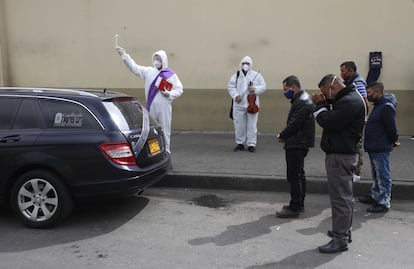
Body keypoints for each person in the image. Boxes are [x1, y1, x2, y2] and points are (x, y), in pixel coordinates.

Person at [312, 74, 365, 254]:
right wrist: (325, 104)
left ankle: (340, 239)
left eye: (325, 93)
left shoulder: (350, 102)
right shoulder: (349, 99)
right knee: (345, 197)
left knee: (340, 199)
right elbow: (335, 116)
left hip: (340, 156)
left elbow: (328, 121)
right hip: (343, 153)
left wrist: (319, 105)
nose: (327, 97)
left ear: (332, 88)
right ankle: (343, 231)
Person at [116, 46, 183, 154]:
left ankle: (166, 152)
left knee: (165, 130)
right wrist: (125, 56)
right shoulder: (149, 72)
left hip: (164, 107)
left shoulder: (171, 75)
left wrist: (169, 94)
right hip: (151, 106)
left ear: (164, 60)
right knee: (152, 131)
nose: (157, 61)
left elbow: (179, 89)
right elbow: (135, 68)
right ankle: (155, 152)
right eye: (155, 58)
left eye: (159, 59)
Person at [275, 75, 315, 218]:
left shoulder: (302, 102)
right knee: (299, 174)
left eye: (286, 89)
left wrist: (282, 135)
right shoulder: (302, 99)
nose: (285, 92)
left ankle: (295, 206)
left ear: (294, 87)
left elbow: (295, 123)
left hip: (297, 143)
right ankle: (298, 203)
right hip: (299, 142)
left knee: (294, 175)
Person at [358, 81, 400, 213]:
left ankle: (383, 201)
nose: (368, 96)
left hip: (380, 147)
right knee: (376, 174)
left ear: (377, 92)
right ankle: (375, 195)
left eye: (369, 93)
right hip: (374, 146)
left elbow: (391, 128)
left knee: (383, 175)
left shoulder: (386, 107)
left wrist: (394, 140)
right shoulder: (378, 105)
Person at [227, 56, 266, 152]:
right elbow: (231, 87)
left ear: (251, 65)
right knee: (239, 124)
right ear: (241, 64)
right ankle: (240, 143)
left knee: (252, 125)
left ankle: (251, 144)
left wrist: (255, 89)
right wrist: (236, 95)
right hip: (239, 104)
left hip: (252, 104)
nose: (245, 65)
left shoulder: (256, 75)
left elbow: (264, 86)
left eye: (247, 64)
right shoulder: (236, 76)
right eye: (244, 63)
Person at [340, 61, 368, 181]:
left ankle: (357, 171)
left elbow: (364, 101)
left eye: (343, 71)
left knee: (357, 145)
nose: (341, 74)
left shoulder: (358, 83)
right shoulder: (349, 82)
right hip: (351, 120)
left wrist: (363, 118)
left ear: (351, 71)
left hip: (357, 121)